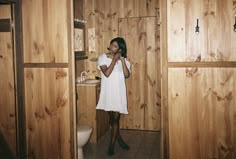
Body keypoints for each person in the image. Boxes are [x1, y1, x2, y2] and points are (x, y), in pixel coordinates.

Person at [96, 37, 131, 156]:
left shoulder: (122, 59)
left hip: (118, 94)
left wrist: (121, 60)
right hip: (108, 93)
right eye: (112, 44)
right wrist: (114, 60)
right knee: (112, 119)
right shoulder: (102, 58)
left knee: (116, 118)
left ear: (120, 49)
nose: (112, 47)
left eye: (115, 46)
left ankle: (111, 146)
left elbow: (127, 75)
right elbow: (106, 73)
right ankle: (119, 139)